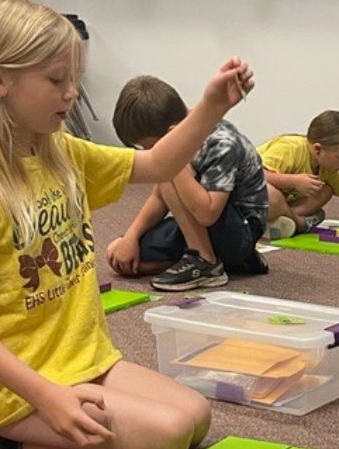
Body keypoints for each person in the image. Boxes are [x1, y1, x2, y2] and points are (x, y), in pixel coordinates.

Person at [0, 0, 255, 449]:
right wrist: (49, 397)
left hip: (83, 359)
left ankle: (34, 436)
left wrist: (209, 105)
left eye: (73, 79)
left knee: (195, 417)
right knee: (162, 441)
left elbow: (158, 163)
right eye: (56, 80)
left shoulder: (60, 152)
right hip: (12, 391)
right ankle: (3, 438)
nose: (71, 93)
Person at [106, 75, 269, 291]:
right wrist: (131, 236)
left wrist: (176, 163)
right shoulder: (179, 136)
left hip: (239, 229)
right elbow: (159, 197)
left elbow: (208, 213)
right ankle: (220, 261)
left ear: (172, 132)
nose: (149, 155)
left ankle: (206, 261)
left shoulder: (222, 143)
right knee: (120, 255)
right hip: (199, 220)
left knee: (167, 168)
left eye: (151, 147)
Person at [257, 110, 339, 239]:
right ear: (318, 149)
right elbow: (256, 176)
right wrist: (293, 181)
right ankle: (300, 223)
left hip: (280, 207)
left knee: (326, 190)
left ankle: (281, 221)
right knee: (269, 194)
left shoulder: (328, 169)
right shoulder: (289, 148)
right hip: (246, 197)